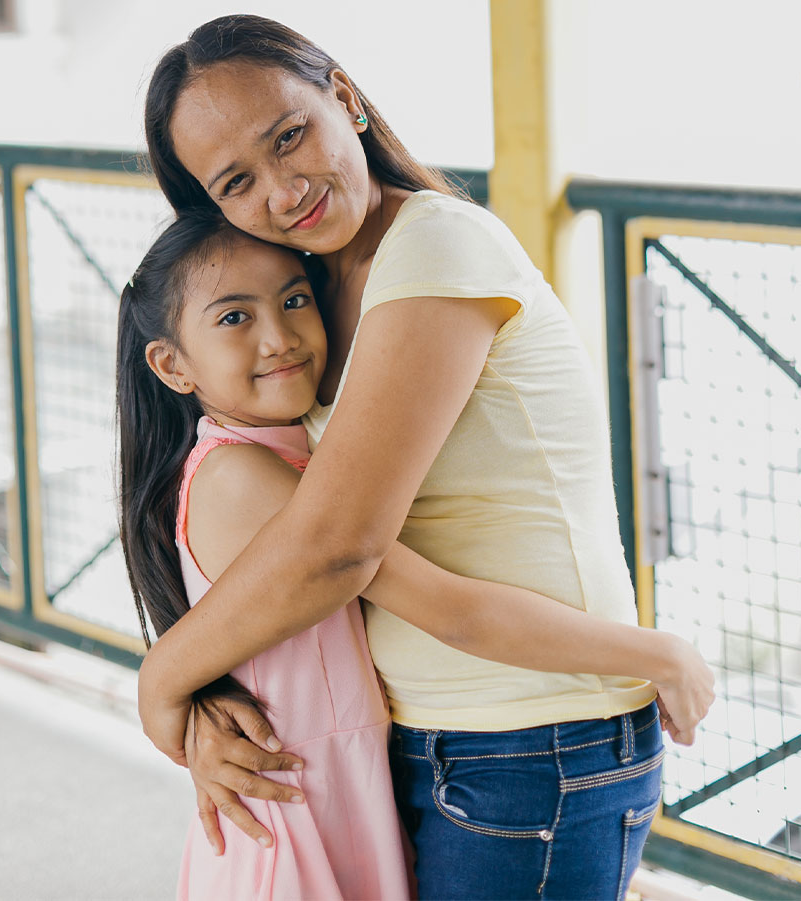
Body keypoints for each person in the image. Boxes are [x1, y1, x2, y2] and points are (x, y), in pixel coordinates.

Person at [132, 15, 715, 900]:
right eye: (237, 182)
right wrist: (211, 694)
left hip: (532, 737)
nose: (285, 190)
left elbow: (337, 543)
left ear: (345, 99)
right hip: (421, 737)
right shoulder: (308, 292)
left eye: (290, 136)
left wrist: (162, 681)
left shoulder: (434, 246)